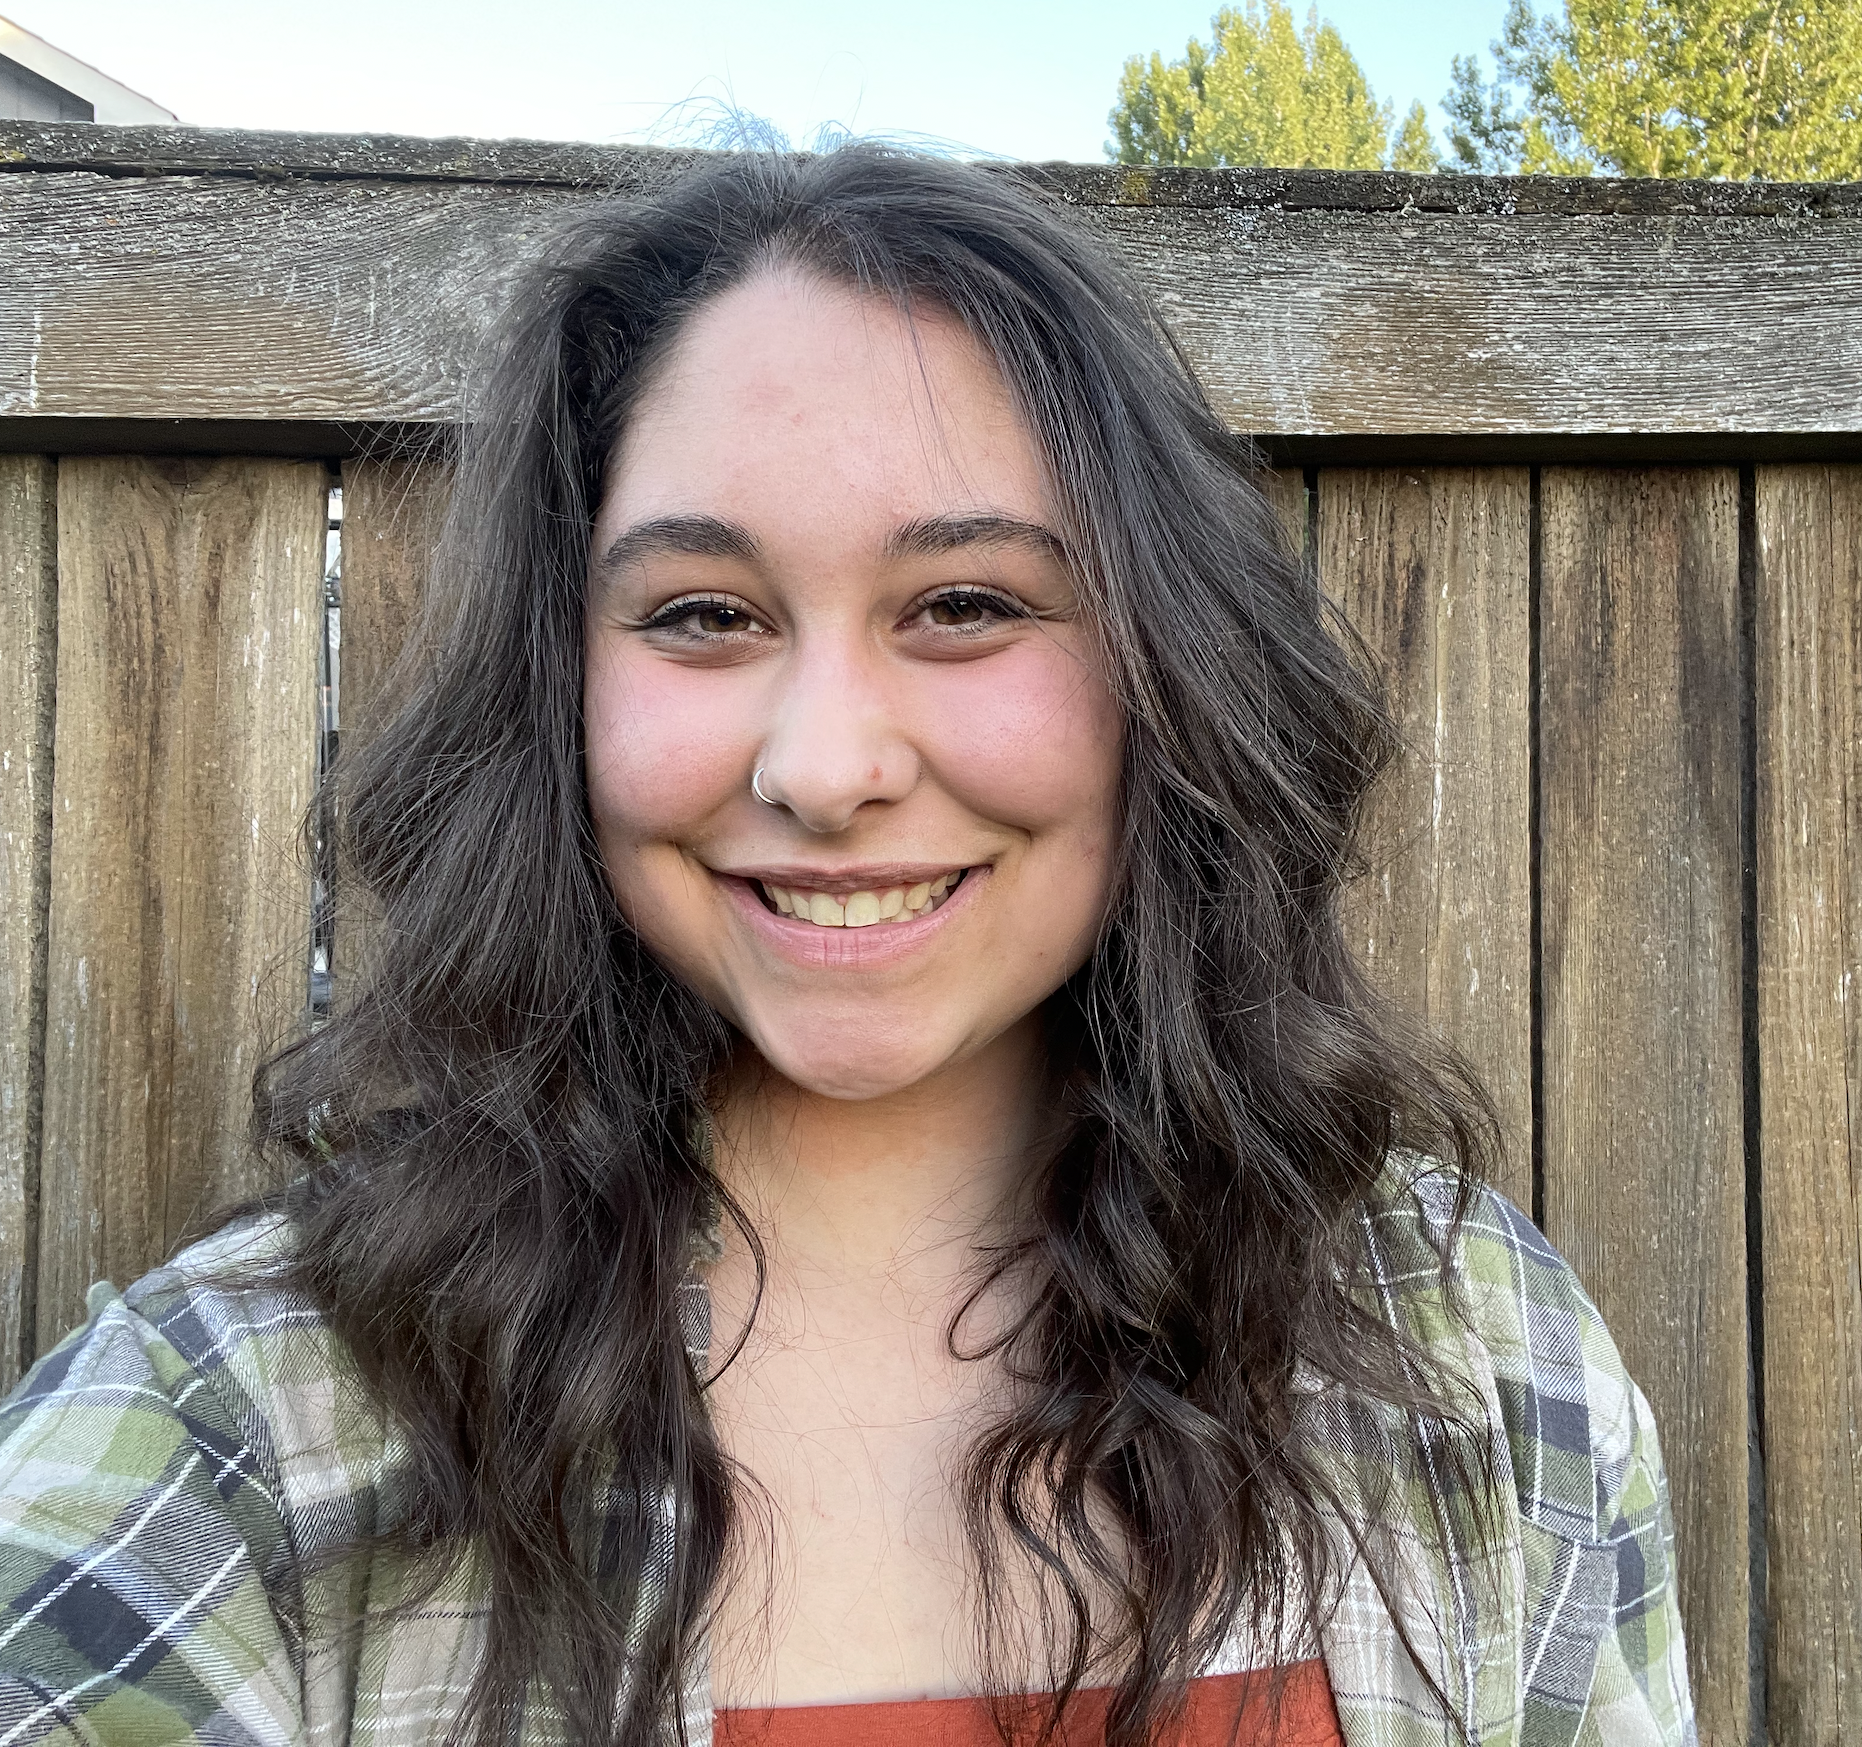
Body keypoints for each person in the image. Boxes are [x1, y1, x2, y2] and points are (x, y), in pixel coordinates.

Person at [0, 147, 1693, 1747]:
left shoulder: (1471, 1343)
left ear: (1169, 672)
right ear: (559, 692)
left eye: (964, 604)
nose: (821, 769)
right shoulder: (223, 1443)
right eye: (703, 615)